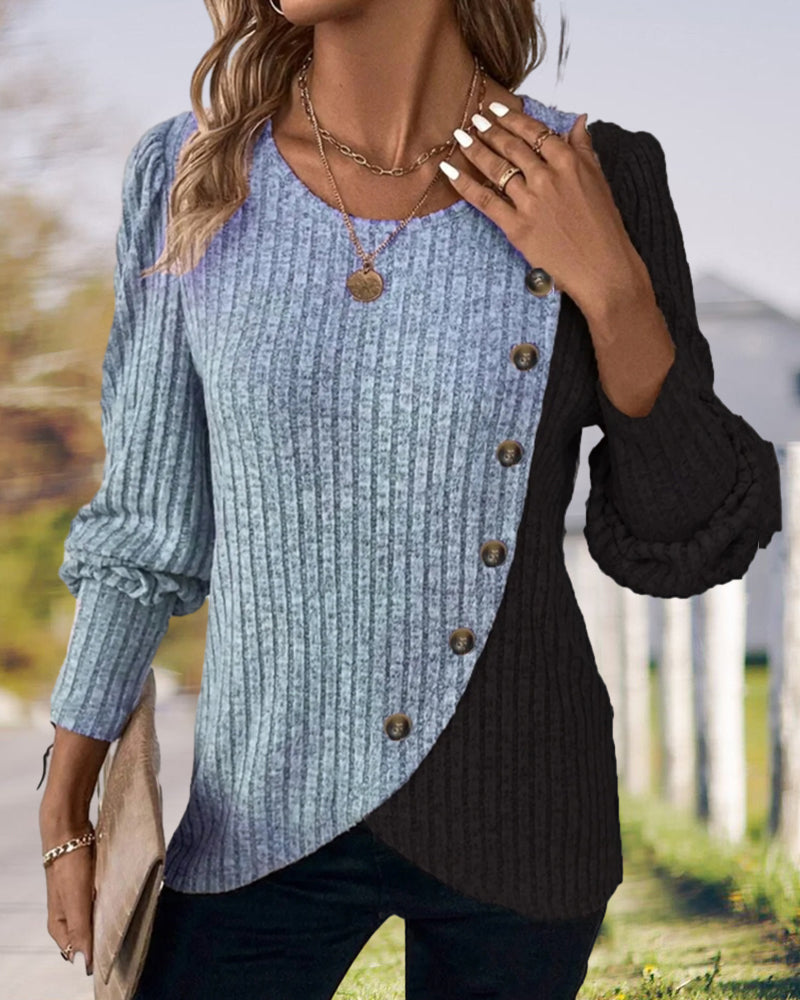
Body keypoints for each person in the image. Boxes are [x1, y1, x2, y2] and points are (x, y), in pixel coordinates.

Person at [37, 0, 782, 997]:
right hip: (259, 811)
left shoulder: (595, 173)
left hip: (521, 809)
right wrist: (67, 797)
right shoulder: (189, 173)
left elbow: (685, 534)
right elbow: (145, 529)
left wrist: (614, 293)